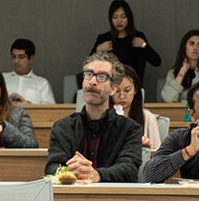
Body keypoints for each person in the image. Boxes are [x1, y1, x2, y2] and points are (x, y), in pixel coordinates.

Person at [45, 53, 142, 182]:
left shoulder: (130, 129)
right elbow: (52, 167)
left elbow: (129, 169)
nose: (92, 82)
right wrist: (73, 171)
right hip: (72, 198)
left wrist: (96, 175)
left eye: (101, 77)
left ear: (113, 89)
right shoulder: (62, 127)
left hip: (113, 199)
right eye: (89, 75)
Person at [90, 0, 161, 85]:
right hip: (109, 88)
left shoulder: (137, 37)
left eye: (123, 17)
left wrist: (144, 45)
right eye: (115, 17)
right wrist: (99, 50)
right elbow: (88, 68)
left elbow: (156, 62)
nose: (119, 21)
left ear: (129, 18)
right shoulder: (104, 38)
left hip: (133, 88)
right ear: (110, 19)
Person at [113, 65, 161, 149]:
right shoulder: (103, 116)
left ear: (135, 89)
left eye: (127, 90)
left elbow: (157, 153)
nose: (122, 96)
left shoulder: (148, 118)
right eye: (117, 91)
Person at [160, 29, 199, 103]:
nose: (195, 48)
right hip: (179, 114)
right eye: (192, 43)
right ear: (184, 47)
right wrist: (182, 73)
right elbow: (168, 99)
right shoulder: (173, 73)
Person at [3, 39, 56, 104]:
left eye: (21, 57)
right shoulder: (2, 78)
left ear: (31, 59)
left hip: (32, 114)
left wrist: (28, 105)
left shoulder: (42, 84)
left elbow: (50, 112)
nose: (16, 61)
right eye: (14, 57)